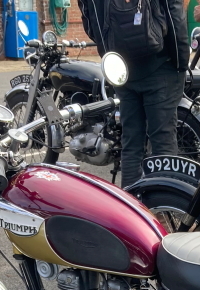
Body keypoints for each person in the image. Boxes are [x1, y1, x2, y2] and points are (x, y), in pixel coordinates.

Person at [79, 0, 189, 187]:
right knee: (162, 141)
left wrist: (114, 47)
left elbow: (91, 23)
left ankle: (131, 199)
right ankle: (164, 200)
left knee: (131, 142)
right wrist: (181, 62)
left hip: (123, 68)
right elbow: (174, 15)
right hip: (160, 65)